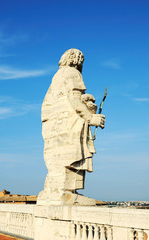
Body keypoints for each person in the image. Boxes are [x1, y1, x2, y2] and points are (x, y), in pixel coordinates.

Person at [38, 48, 105, 205]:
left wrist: (84, 98)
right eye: (81, 60)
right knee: (72, 156)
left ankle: (54, 191)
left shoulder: (57, 76)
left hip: (56, 126)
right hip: (70, 124)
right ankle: (66, 193)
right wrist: (91, 117)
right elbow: (74, 100)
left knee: (60, 159)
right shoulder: (72, 73)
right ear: (76, 60)